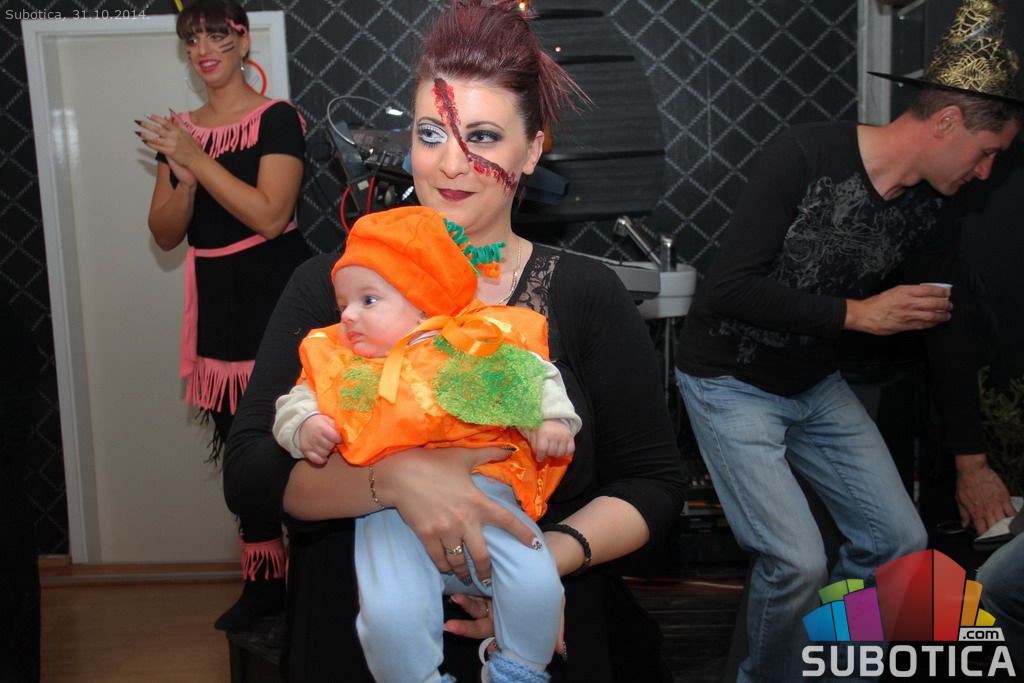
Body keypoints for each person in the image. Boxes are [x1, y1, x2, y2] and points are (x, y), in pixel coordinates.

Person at [224, 1, 687, 680]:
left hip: (539, 628)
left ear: (532, 150)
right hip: (359, 632)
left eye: (484, 137)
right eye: (431, 133)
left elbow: (655, 483)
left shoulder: (586, 294)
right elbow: (250, 474)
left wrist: (529, 565)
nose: (451, 164)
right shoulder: (334, 287)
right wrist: (392, 479)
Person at [674, 1, 1022, 680]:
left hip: (813, 383)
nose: (985, 173)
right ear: (947, 122)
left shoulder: (933, 209)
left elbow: (945, 332)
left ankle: (831, 670)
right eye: (987, 153)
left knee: (899, 541)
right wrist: (858, 314)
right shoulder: (803, 155)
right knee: (796, 561)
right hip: (728, 381)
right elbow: (728, 290)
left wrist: (972, 462)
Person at [273, 205, 581, 682]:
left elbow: (533, 375)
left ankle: (518, 669)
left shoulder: (472, 342)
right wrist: (305, 425)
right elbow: (294, 401)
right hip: (384, 514)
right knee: (389, 615)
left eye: (368, 300)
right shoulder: (337, 359)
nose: (348, 316)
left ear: (423, 303)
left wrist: (551, 419)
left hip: (488, 495)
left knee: (537, 582)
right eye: (343, 305)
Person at [136, 0, 310, 632]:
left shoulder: (277, 119)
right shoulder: (180, 132)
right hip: (218, 304)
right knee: (241, 447)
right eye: (192, 39)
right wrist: (183, 178)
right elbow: (164, 234)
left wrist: (198, 158)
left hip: (279, 298)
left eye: (216, 35)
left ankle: (315, 584)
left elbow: (270, 215)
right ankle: (264, 586)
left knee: (299, 438)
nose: (203, 49)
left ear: (243, 41)